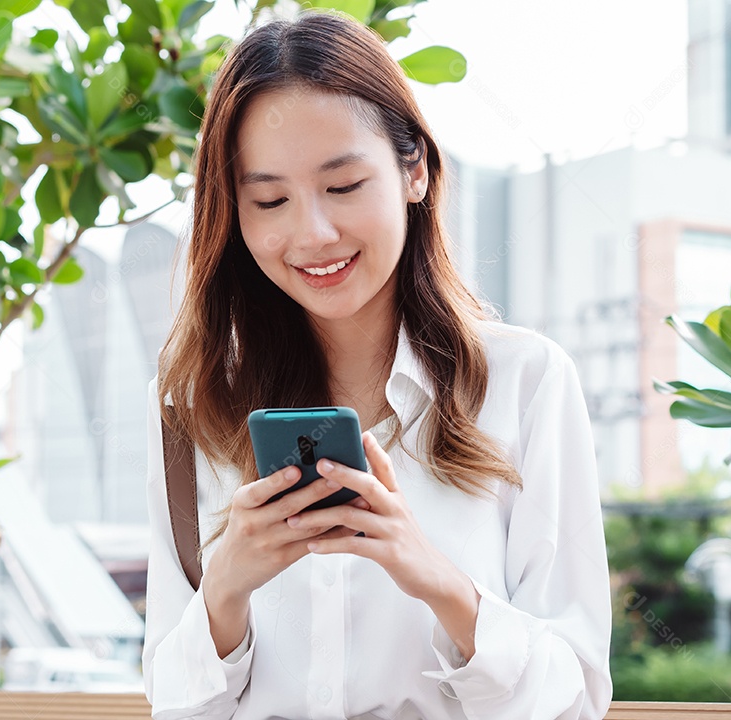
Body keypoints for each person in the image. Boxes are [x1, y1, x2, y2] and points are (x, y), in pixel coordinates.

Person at [143, 10, 611, 720]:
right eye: (269, 199)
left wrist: (438, 581)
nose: (313, 234)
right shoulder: (191, 408)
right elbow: (174, 706)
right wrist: (225, 594)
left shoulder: (526, 383)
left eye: (343, 186)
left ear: (413, 169)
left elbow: (575, 700)